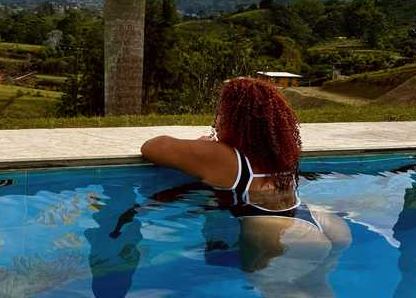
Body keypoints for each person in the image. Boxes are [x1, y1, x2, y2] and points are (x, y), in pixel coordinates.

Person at [139, 77, 352, 297]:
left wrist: (201, 147)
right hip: (325, 224)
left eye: (221, 113)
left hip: (280, 234)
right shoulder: (280, 153)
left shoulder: (223, 157)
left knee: (276, 289)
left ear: (234, 119)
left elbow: (152, 147)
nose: (216, 120)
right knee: (317, 287)